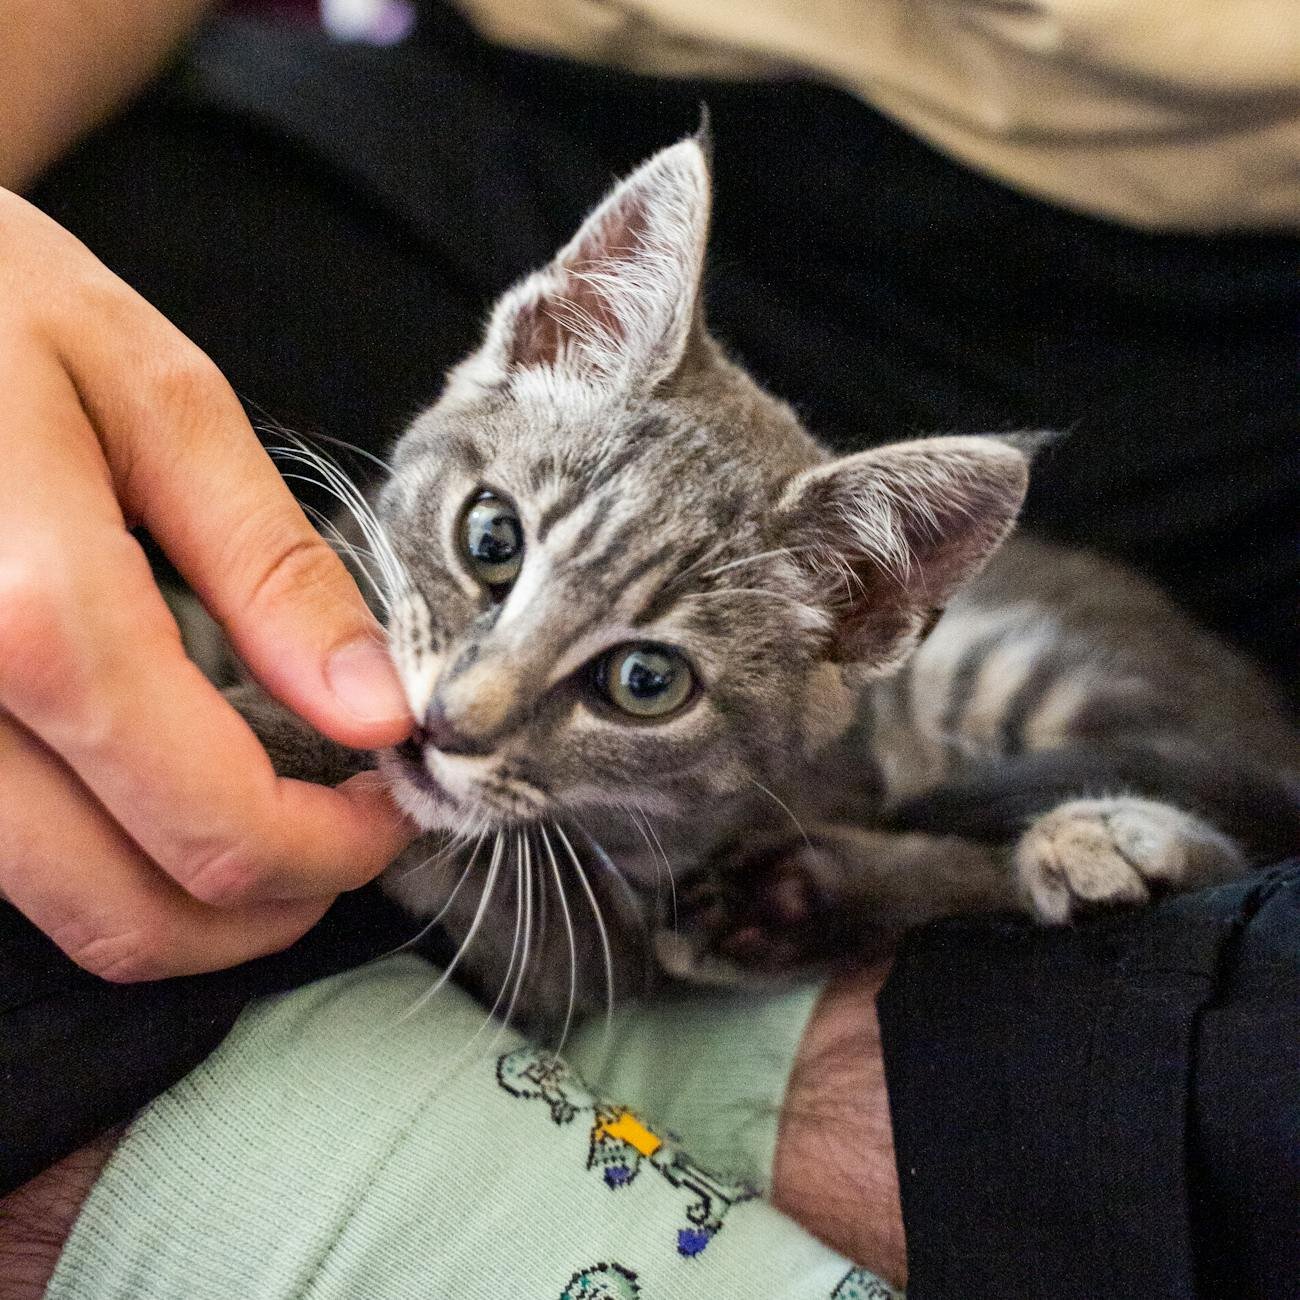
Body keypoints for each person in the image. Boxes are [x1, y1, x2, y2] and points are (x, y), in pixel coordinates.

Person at [0, 2, 1296, 1295]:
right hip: (515, 114)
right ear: (545, 332)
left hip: (1197, 344)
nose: (471, 704)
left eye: (638, 676)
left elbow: (563, 941)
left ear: (857, 619)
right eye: (493, 545)